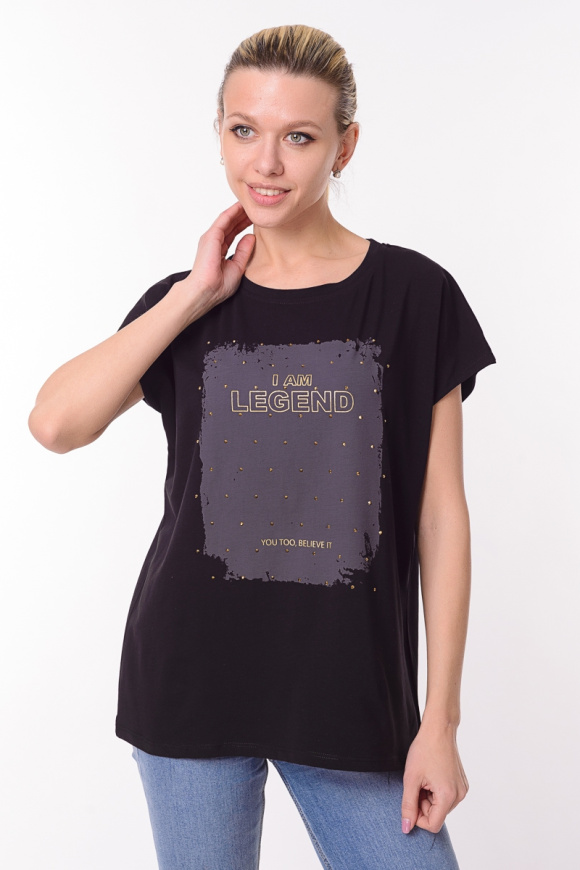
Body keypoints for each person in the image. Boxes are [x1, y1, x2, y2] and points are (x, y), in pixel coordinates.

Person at [28, 23, 496, 870]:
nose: (267, 163)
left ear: (345, 146)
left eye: (300, 137)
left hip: (350, 696)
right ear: (219, 133)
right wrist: (192, 295)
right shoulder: (187, 302)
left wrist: (442, 720)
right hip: (190, 683)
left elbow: (441, 517)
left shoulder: (415, 296)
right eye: (244, 130)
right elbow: (56, 424)